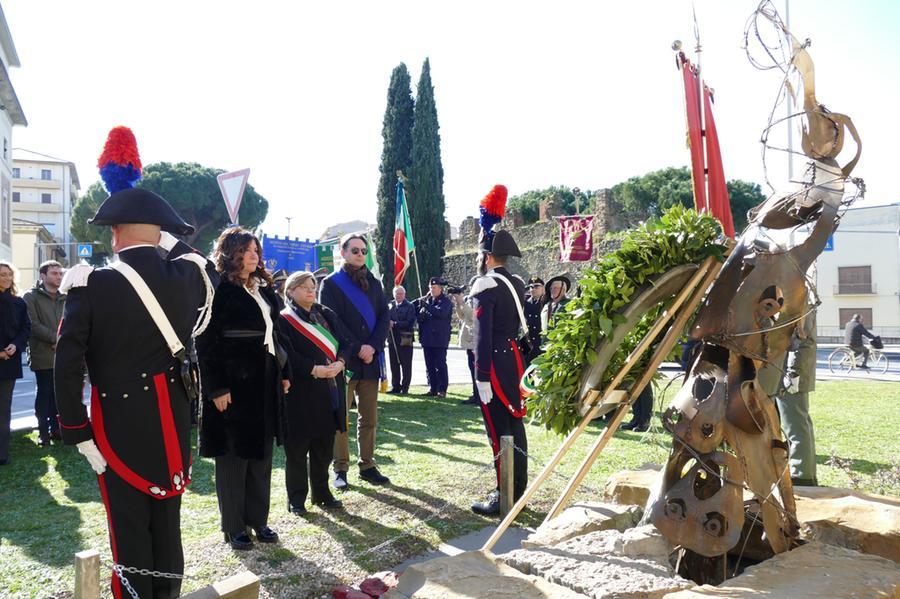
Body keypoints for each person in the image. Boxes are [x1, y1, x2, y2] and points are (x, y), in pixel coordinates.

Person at [54, 125, 215, 599]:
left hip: (118, 429)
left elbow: (67, 364)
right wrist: (166, 237)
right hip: (174, 424)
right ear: (162, 234)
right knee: (169, 527)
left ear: (115, 232)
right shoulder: (189, 275)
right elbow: (198, 267)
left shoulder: (91, 285)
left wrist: (77, 431)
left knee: (128, 530)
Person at [197, 227, 290, 552]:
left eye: (256, 250)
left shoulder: (264, 291)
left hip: (264, 380)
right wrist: (217, 387)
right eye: (248, 250)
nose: (255, 255)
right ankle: (234, 526)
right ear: (232, 252)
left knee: (261, 454)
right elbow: (205, 342)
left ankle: (258, 520)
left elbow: (276, 335)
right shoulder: (217, 289)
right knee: (234, 457)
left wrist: (284, 372)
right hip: (232, 385)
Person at [470, 184, 529, 516]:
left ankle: (502, 493)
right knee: (515, 425)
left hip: (492, 364)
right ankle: (518, 488)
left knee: (497, 430)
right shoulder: (518, 283)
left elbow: (482, 336)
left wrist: (480, 376)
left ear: (488, 257)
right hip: (514, 361)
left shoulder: (485, 283)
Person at [277, 271, 355, 514]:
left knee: (323, 446)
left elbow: (347, 342)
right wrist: (314, 370)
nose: (311, 290)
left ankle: (322, 494)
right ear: (290, 291)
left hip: (330, 390)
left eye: (313, 286)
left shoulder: (325, 314)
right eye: (304, 287)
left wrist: (341, 362)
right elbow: (286, 353)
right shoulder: (283, 319)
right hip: (301, 392)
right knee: (298, 449)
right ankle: (297, 500)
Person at [320, 233, 390, 490]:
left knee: (369, 417)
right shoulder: (330, 284)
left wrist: (372, 346)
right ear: (343, 252)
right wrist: (358, 347)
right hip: (344, 360)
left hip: (370, 360)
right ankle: (340, 468)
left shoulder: (375, 282)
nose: (361, 254)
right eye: (355, 250)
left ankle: (368, 465)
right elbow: (331, 321)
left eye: (363, 250)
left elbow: (384, 317)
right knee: (341, 418)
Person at [23, 260, 66, 447]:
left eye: (60, 273)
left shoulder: (66, 296)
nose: (59, 276)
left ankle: (57, 429)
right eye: (54, 273)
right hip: (43, 353)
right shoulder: (31, 297)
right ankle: (43, 432)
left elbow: (72, 320)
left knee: (59, 394)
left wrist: (64, 340)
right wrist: (56, 339)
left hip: (64, 354)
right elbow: (32, 324)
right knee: (45, 393)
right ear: (43, 275)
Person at [0, 261, 30, 466]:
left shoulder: (19, 302)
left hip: (9, 361)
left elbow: (25, 329)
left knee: (4, 408)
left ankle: (2, 453)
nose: (6, 278)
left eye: (9, 275)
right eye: (2, 275)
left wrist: (15, 346)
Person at [417, 277, 452, 397]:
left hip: (439, 339)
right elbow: (421, 319)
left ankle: (442, 389)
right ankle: (432, 388)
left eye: (434, 288)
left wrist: (426, 306)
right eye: (430, 288)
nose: (432, 290)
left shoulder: (445, 301)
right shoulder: (428, 301)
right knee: (429, 365)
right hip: (427, 339)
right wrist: (421, 311)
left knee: (440, 365)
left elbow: (441, 313)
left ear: (440, 288)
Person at [452, 281, 478, 406]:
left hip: (476, 340)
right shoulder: (470, 299)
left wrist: (462, 302)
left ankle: (479, 395)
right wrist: (458, 303)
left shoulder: (480, 300)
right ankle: (475, 393)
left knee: (477, 369)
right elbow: (462, 316)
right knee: (472, 368)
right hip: (469, 340)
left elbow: (473, 316)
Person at [387, 285, 416, 395]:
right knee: (394, 364)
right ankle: (395, 386)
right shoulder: (390, 305)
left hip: (405, 339)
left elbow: (410, 322)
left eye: (401, 293)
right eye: (397, 293)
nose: (399, 295)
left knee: (406, 364)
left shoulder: (410, 306)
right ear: (393, 294)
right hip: (392, 339)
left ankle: (405, 387)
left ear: (404, 294)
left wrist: (395, 324)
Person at [523, 276, 545, 362]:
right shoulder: (525, 303)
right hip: (527, 343)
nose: (533, 289)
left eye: (536, 287)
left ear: (543, 289)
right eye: (531, 287)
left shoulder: (546, 303)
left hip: (541, 343)